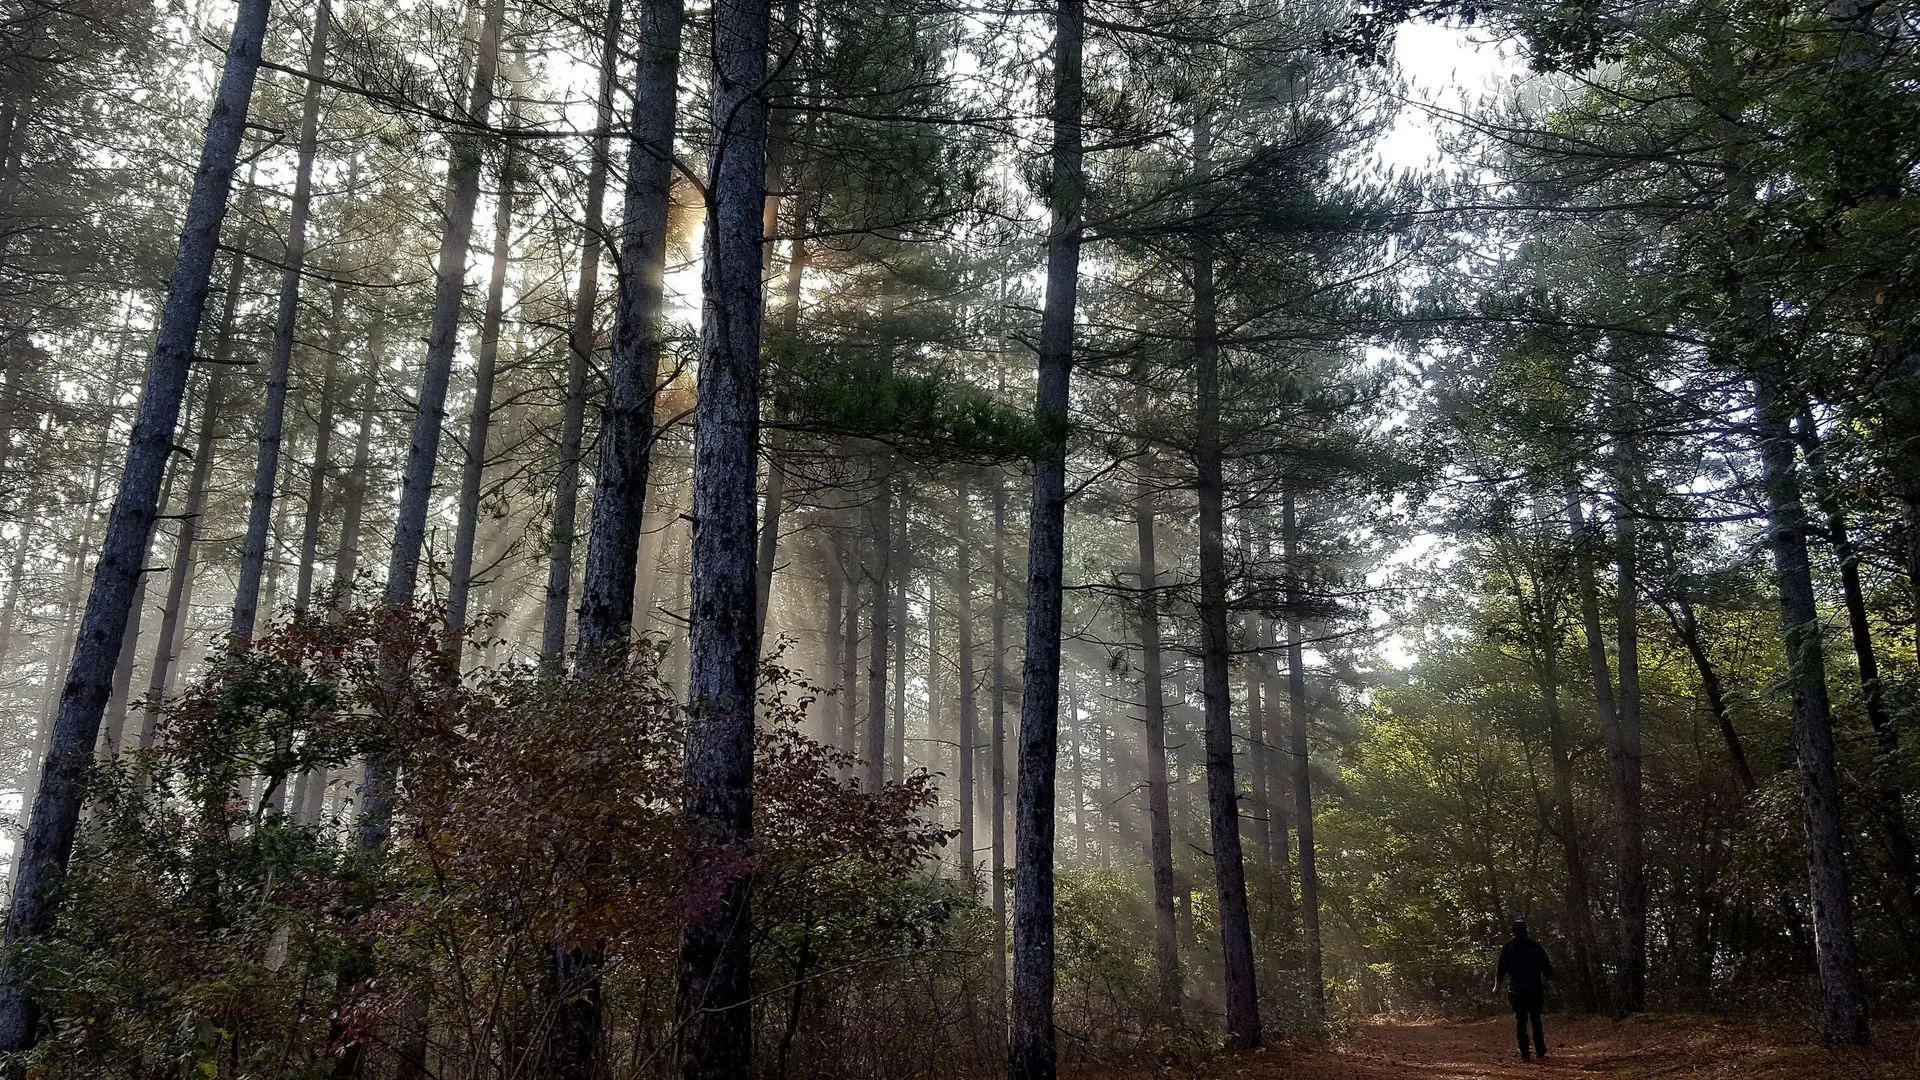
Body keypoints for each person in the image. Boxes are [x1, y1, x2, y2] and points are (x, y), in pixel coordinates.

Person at [1495, 920, 1553, 1062]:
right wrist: (1553, 988)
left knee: (1521, 1021)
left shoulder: (1508, 947)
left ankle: (1525, 1054)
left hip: (1516, 991)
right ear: (1526, 930)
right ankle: (1539, 1053)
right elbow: (1547, 968)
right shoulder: (1535, 946)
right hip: (1533, 990)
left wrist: (1497, 986)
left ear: (1513, 931)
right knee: (1535, 1020)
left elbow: (1500, 969)